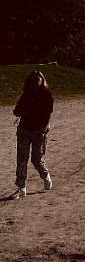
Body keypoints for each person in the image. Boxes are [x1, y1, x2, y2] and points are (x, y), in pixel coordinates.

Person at [8, 70, 53, 200]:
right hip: (24, 130)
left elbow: (47, 114)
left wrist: (44, 128)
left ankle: (45, 175)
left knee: (36, 159)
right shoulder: (25, 95)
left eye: (37, 79)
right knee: (21, 159)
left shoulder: (46, 95)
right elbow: (16, 111)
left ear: (42, 80)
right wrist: (20, 111)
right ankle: (21, 188)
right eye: (32, 80)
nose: (34, 82)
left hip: (39, 131)